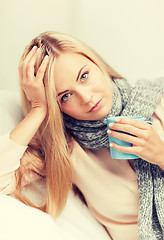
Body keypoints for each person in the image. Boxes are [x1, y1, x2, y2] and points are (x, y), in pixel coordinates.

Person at [0, 31, 164, 240]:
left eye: (84, 76)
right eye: (65, 96)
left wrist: (160, 154)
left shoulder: (159, 102)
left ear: (95, 63)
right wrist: (39, 109)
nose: (86, 98)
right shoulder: (65, 150)